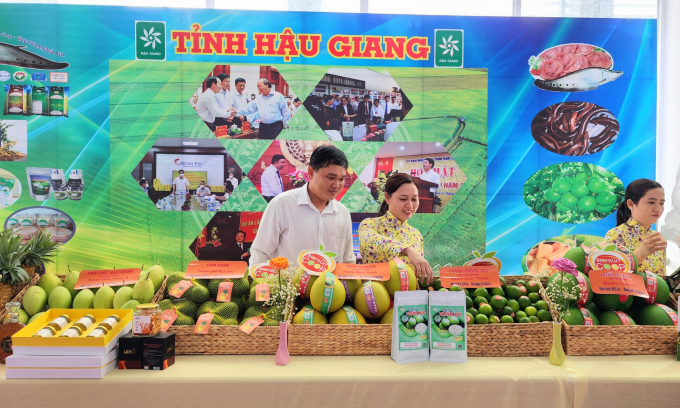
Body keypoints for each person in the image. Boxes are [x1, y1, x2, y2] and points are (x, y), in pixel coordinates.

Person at [250, 145, 356, 266]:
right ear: (311, 172)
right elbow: (261, 253)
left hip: (331, 284)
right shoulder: (282, 204)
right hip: (290, 284)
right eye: (331, 177)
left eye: (341, 179)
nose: (336, 185)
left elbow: (348, 260)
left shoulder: (343, 212)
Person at [359, 173, 433, 284]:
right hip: (375, 298)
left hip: (409, 299)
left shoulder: (416, 235)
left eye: (414, 199)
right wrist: (406, 250)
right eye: (403, 199)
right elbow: (369, 240)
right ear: (387, 197)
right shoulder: (370, 224)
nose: (410, 205)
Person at [604, 179, 667, 275]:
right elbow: (609, 275)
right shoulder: (616, 235)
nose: (658, 209)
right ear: (630, 204)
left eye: (661, 203)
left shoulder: (658, 239)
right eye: (651, 202)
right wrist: (641, 253)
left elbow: (664, 282)